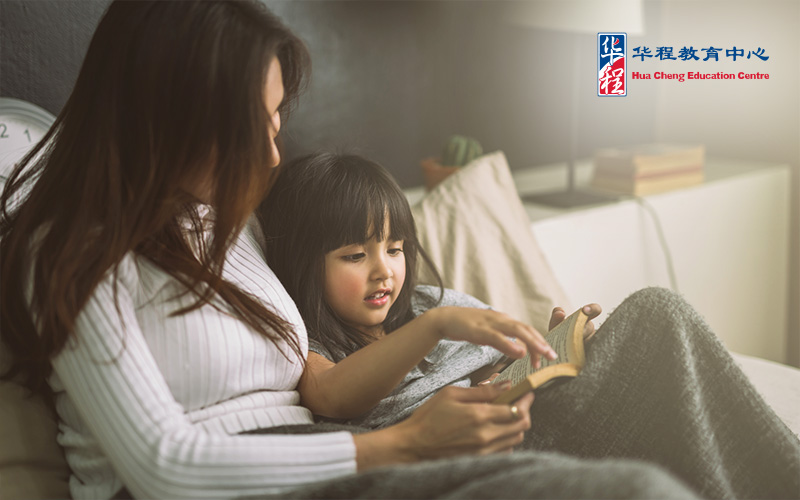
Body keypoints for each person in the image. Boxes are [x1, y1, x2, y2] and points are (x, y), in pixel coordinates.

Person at [0, 1, 796, 499]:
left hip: (343, 448)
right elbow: (162, 467)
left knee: (651, 324)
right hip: (284, 478)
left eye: (279, 124)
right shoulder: (69, 255)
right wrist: (403, 445)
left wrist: (502, 364)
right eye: (257, 128)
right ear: (172, 116)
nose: (273, 155)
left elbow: (322, 385)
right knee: (631, 490)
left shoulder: (223, 229)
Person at [258, 152, 600, 430]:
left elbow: (491, 367)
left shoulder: (435, 304)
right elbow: (331, 394)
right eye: (355, 256)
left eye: (395, 250)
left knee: (640, 319)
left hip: (520, 420)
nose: (384, 271)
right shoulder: (306, 345)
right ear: (301, 263)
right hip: (457, 457)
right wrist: (432, 327)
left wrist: (548, 356)